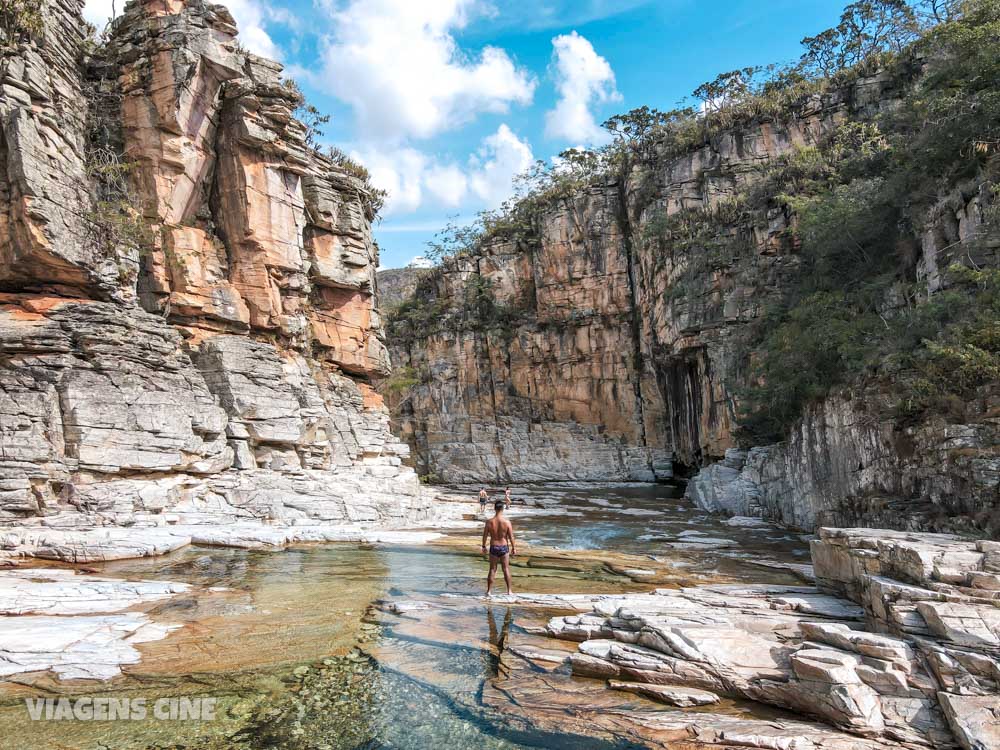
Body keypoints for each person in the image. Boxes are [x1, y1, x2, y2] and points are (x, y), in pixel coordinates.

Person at [481, 501, 515, 596]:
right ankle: (509, 591)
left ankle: (489, 591)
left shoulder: (489, 522)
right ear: (502, 509)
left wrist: (483, 546)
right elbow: (511, 536)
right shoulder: (507, 522)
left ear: (494, 509)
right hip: (504, 547)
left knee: (492, 569)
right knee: (506, 569)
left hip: (494, 547)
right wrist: (513, 548)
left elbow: (484, 536)